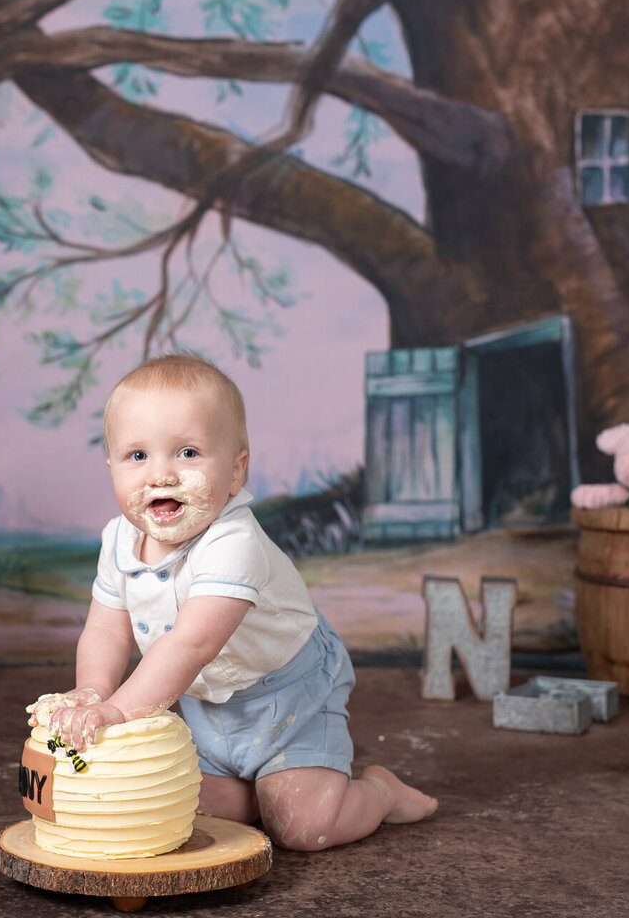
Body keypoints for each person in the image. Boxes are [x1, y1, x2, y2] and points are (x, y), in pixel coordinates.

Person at [31, 353, 437, 852]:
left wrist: (117, 712)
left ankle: (378, 792)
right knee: (170, 799)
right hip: (202, 702)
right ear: (111, 465)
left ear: (235, 470)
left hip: (287, 695)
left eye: (187, 453)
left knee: (303, 829)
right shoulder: (118, 541)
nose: (161, 475)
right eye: (137, 456)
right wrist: (91, 690)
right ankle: (262, 793)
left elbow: (192, 644)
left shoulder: (232, 541)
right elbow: (106, 630)